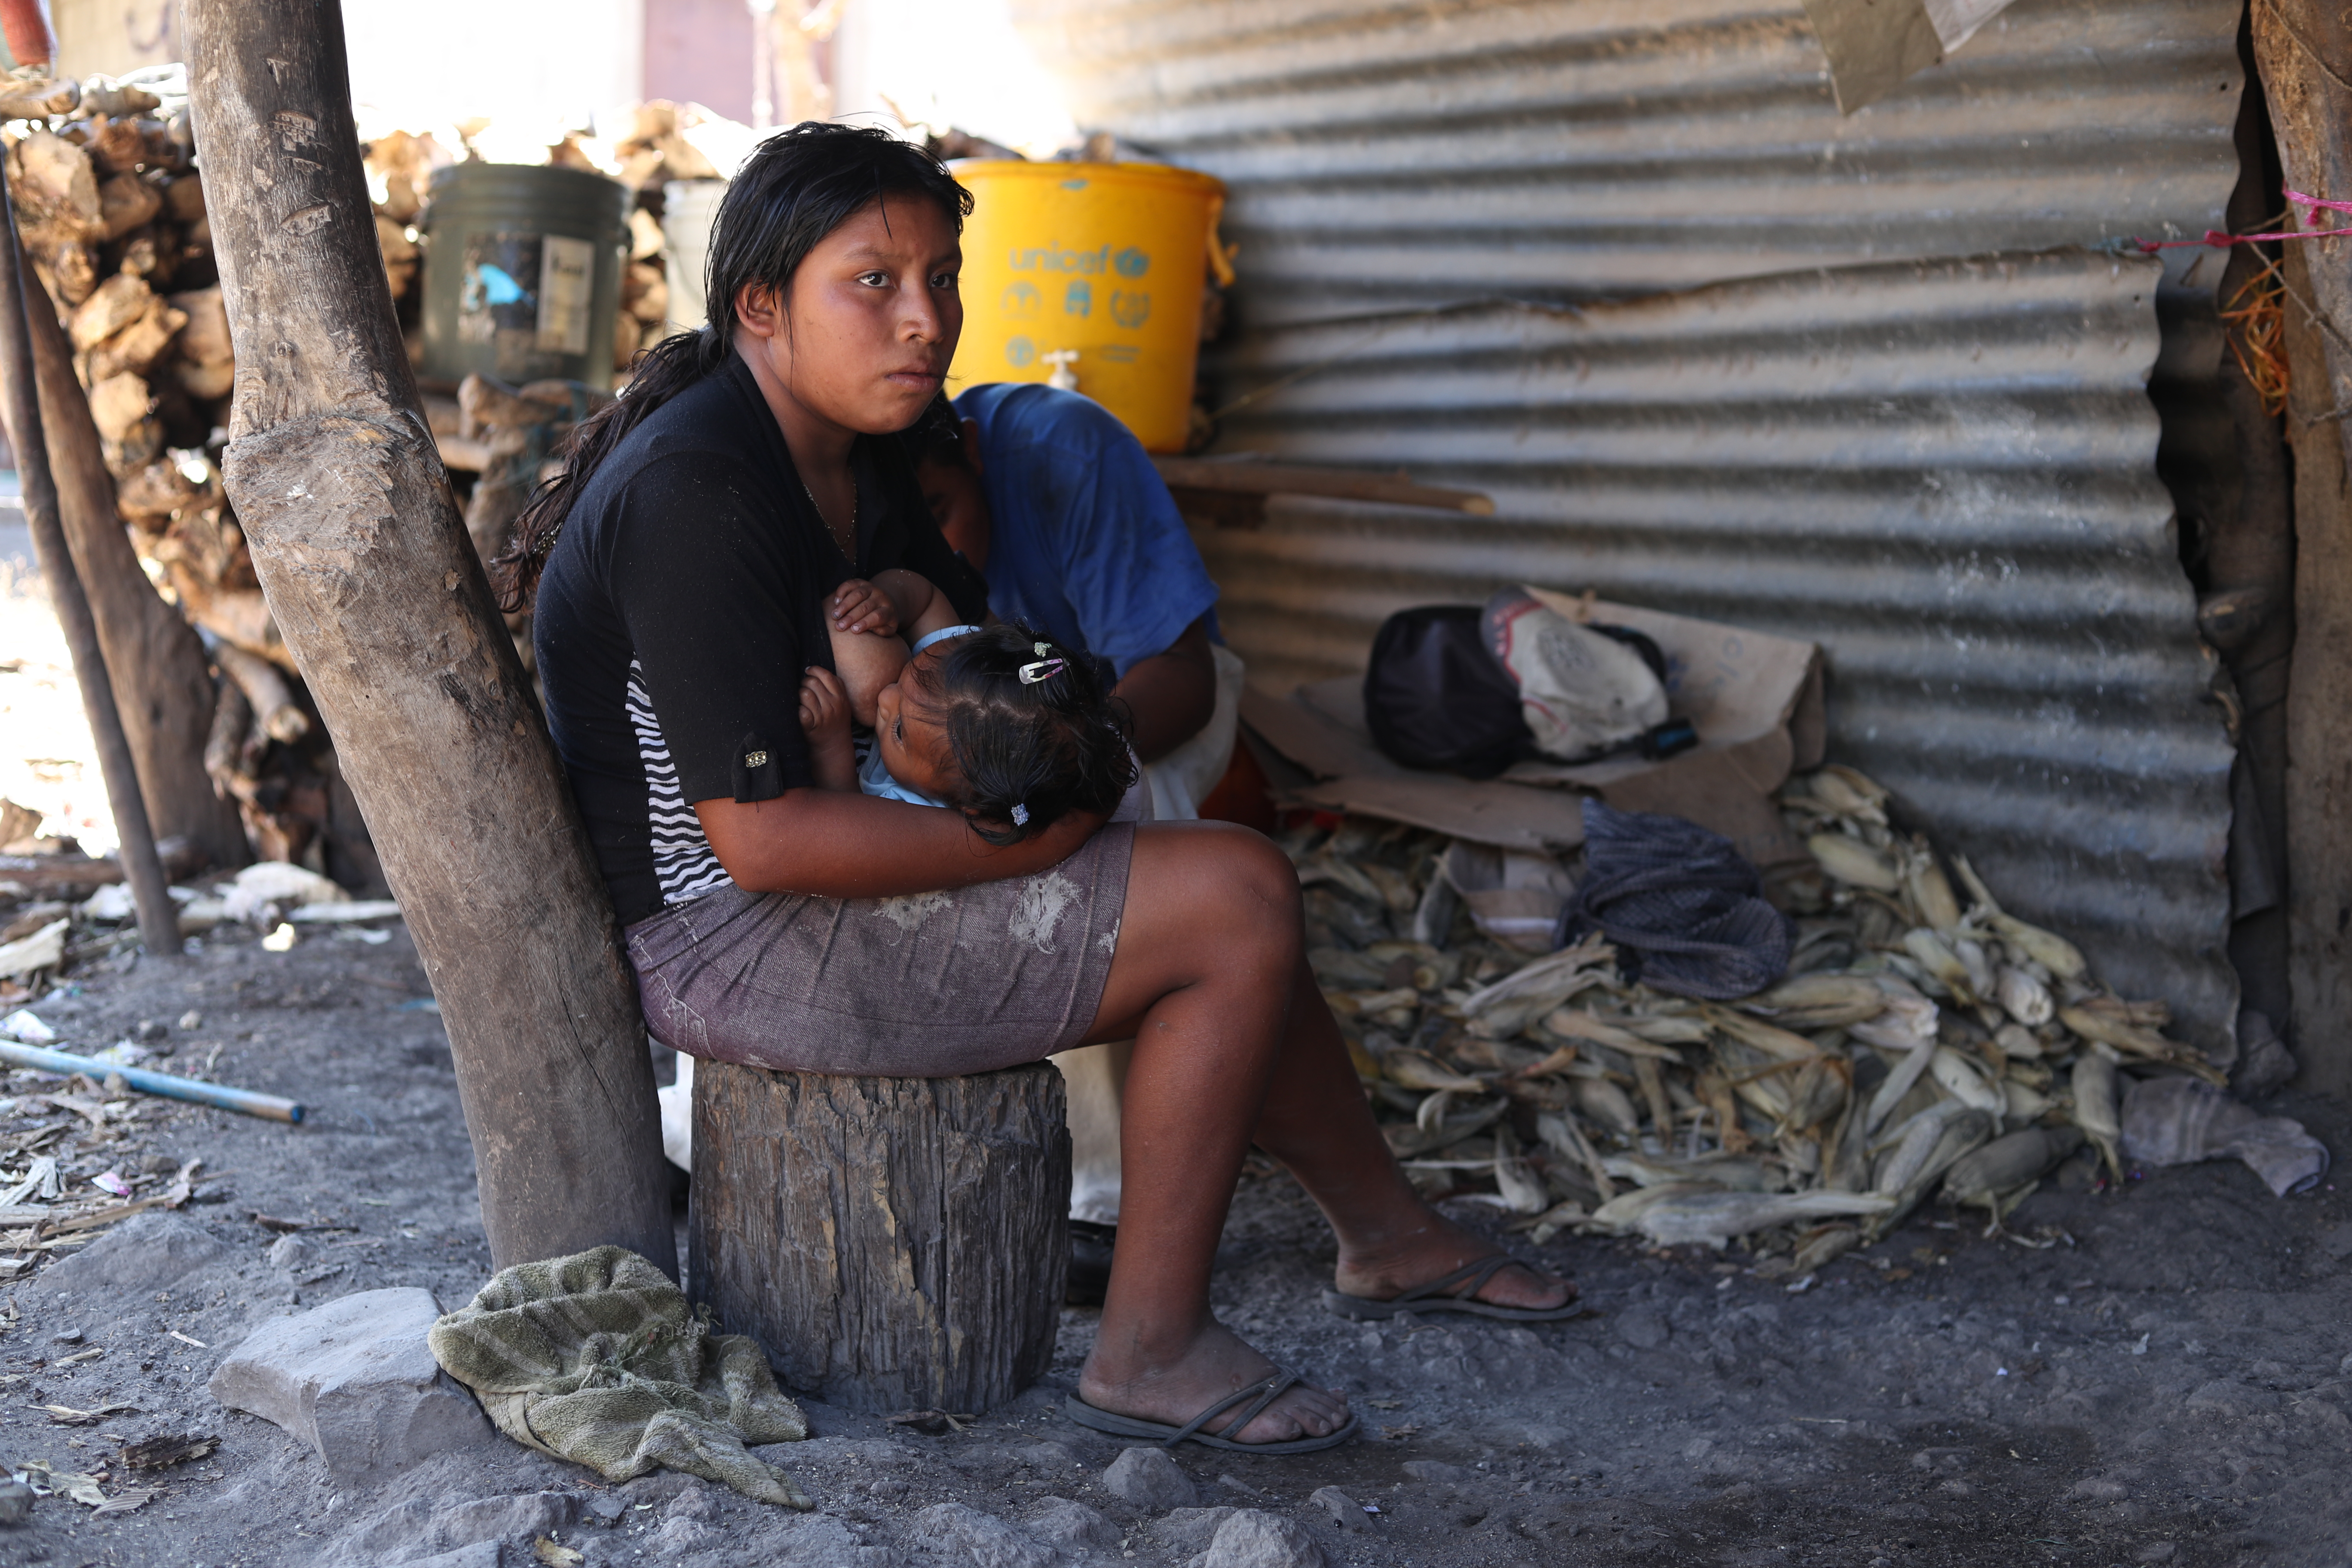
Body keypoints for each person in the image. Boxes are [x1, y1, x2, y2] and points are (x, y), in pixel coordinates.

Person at [501, 122, 1574, 1454]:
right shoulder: (701, 491)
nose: (926, 320)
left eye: (943, 278)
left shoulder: (859, 454)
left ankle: (1387, 1236)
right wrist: (1028, 842)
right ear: (760, 307)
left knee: (1226, 883)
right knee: (1230, 896)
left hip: (840, 851)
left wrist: (1024, 741)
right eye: (874, 282)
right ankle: (1152, 1349)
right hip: (731, 939)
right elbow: (765, 843)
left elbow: (969, 654)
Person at [901, 388, 1241, 1290]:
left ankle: (1100, 1197)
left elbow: (1185, 677)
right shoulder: (859, 491)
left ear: (972, 452)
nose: (946, 553)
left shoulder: (1064, 449)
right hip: (986, 744)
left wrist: (1075, 784)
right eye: (915, 535)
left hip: (1137, 713)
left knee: (1120, 855)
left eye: (944, 512)